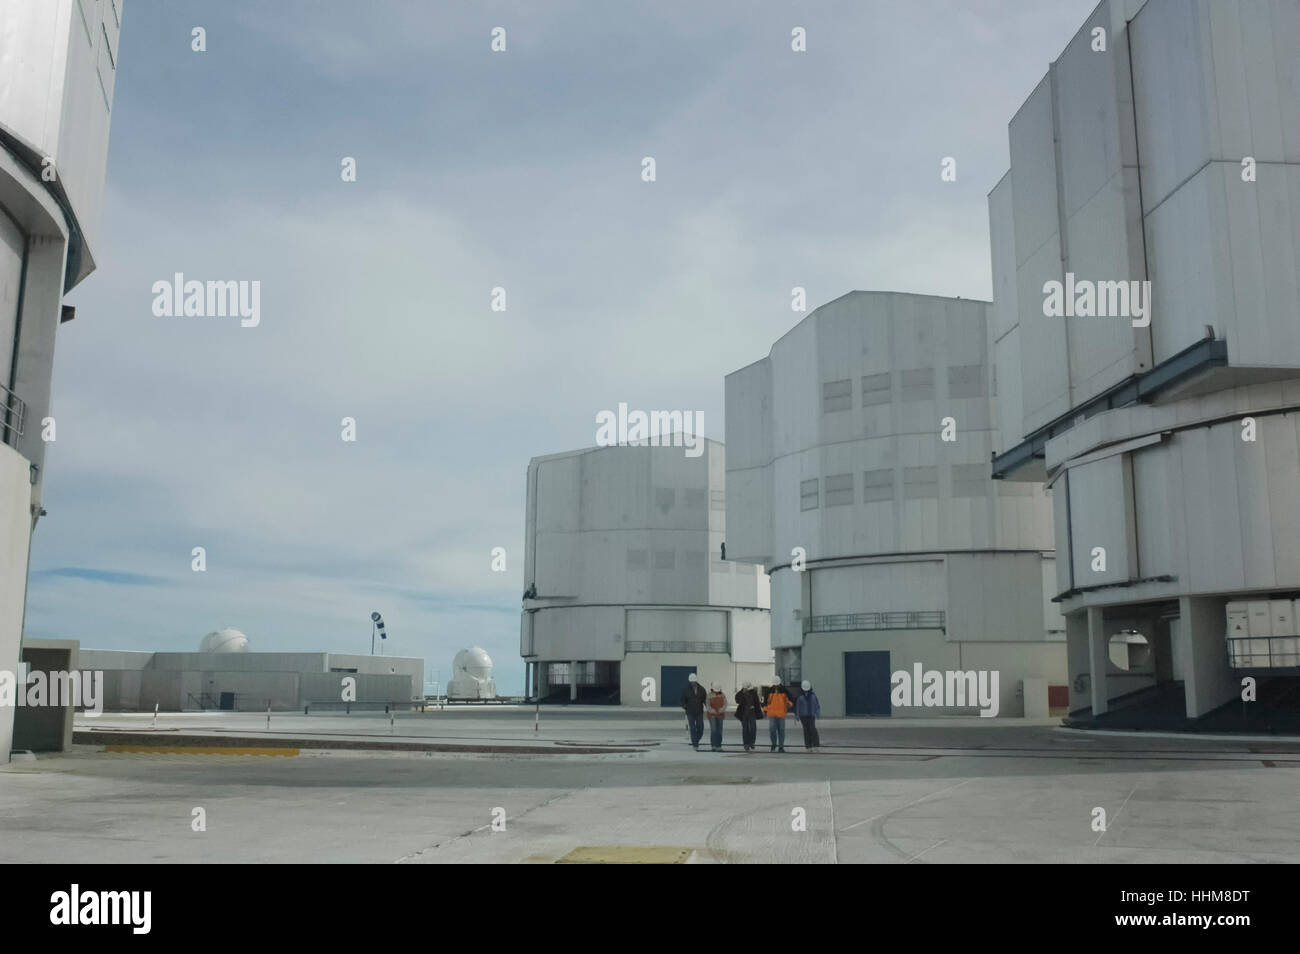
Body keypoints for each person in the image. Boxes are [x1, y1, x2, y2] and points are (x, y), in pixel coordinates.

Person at [762, 679, 792, 753]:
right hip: (772, 713)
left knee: (781, 730)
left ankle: (781, 747)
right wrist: (765, 710)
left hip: (781, 713)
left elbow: (790, 700)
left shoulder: (785, 691)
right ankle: (774, 745)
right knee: (772, 730)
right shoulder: (769, 691)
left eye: (777, 685)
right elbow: (765, 702)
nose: (776, 686)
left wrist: (789, 705)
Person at [679, 673, 706, 750]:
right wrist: (685, 706)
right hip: (690, 712)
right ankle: (695, 744)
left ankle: (696, 740)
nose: (692, 683)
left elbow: (705, 700)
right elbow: (681, 700)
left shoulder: (702, 689)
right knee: (693, 728)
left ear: (696, 681)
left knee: (700, 728)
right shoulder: (685, 690)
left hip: (699, 712)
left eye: (694, 681)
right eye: (691, 682)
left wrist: (708, 707)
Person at [734, 681, 761, 751]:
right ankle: (746, 744)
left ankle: (752, 742)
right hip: (743, 714)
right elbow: (737, 700)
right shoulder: (741, 693)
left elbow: (757, 703)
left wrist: (758, 713)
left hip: (752, 713)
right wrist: (742, 693)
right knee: (745, 729)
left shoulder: (754, 693)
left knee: (753, 728)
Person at [796, 679, 821, 751]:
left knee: (813, 729)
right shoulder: (800, 697)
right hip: (803, 716)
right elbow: (797, 707)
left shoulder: (813, 696)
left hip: (811, 715)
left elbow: (817, 705)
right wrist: (797, 715)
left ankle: (816, 745)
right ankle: (808, 746)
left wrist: (817, 713)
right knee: (806, 731)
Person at [705, 682, 727, 751]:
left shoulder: (722, 695)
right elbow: (707, 705)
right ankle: (713, 745)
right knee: (714, 730)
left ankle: (719, 745)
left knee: (719, 731)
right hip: (712, 716)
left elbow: (725, 703)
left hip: (720, 715)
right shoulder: (709, 695)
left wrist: (722, 709)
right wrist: (712, 711)